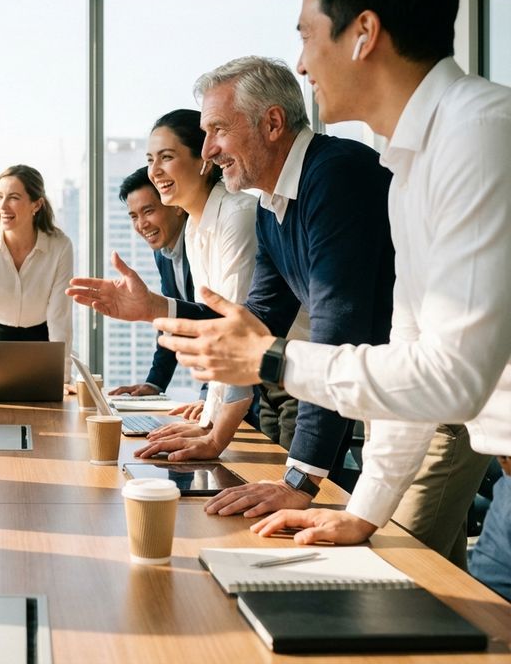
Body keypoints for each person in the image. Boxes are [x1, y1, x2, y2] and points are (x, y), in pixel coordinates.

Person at [158, 0, 511, 598]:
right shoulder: (408, 169)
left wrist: (269, 361)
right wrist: (360, 511)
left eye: (306, 35)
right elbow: (410, 351)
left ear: (363, 33)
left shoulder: (479, 135)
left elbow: (454, 378)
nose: (301, 63)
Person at [146, 57, 398, 512]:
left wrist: (299, 480)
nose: (207, 151)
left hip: (431, 405)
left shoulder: (336, 175)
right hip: (382, 397)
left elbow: (336, 335)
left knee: (416, 566)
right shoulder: (270, 203)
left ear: (273, 123)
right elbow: (258, 318)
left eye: (218, 130)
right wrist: (152, 309)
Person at [68, 111, 259, 444]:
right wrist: (207, 420)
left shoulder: (237, 216)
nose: (154, 171)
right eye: (149, 160)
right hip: (251, 383)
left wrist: (212, 433)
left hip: (290, 380)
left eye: (166, 158)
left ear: (204, 160)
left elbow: (232, 336)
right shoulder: (195, 231)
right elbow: (212, 329)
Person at [0, 165, 74, 384]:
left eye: (13, 197)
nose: (2, 206)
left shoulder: (60, 246)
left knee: (44, 414)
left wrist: (63, 379)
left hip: (40, 344)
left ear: (36, 204)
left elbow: (60, 318)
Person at [108, 167, 198, 409]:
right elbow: (169, 319)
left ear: (175, 204)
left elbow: (220, 323)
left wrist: (208, 398)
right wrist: (155, 384)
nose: (141, 224)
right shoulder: (164, 254)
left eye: (148, 211)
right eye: (133, 216)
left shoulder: (201, 242)